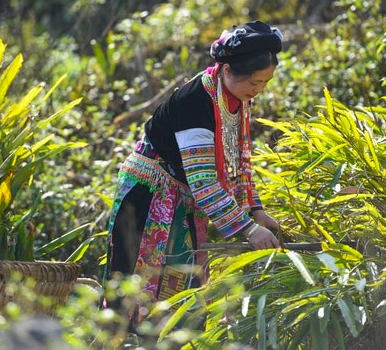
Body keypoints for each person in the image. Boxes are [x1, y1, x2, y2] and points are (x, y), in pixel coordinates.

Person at [104, 20, 283, 308]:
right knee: (140, 285)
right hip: (151, 197)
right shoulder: (196, 103)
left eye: (265, 83)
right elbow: (203, 181)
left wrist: (256, 209)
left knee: (183, 284)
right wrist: (248, 229)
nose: (258, 90)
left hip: (185, 198)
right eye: (253, 82)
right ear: (226, 70)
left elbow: (239, 158)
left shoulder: (235, 97)